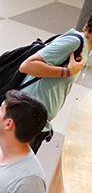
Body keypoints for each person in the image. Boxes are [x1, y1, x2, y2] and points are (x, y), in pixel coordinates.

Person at [17, 15, 92, 152]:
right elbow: (27, 66)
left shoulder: (83, 47)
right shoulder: (74, 43)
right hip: (23, 117)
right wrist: (66, 72)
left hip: (33, 119)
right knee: (9, 169)